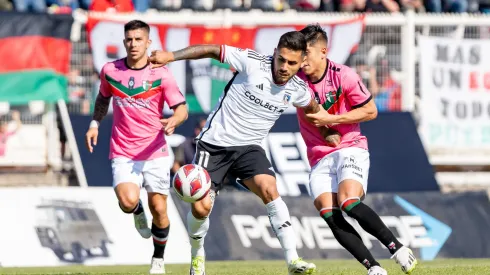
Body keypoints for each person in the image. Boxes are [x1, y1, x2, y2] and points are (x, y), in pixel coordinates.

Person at [149, 31, 318, 275]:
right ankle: (197, 256)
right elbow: (211, 50)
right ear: (275, 53)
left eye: (292, 63)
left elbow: (314, 109)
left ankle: (293, 260)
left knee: (270, 189)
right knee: (201, 208)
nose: (284, 67)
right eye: (281, 59)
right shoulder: (251, 63)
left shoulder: (299, 90)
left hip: (250, 148)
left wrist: (331, 130)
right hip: (214, 145)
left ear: (302, 62)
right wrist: (171, 56)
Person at [297, 24, 418, 275]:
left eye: (306, 53)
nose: (302, 59)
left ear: (323, 51)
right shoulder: (296, 80)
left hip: (349, 147)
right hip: (319, 157)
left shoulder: (344, 75)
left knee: (349, 202)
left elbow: (370, 111)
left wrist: (331, 120)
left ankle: (396, 248)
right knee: (330, 215)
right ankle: (373, 268)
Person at [85, 20, 188, 274]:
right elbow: (103, 97)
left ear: (148, 42)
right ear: (123, 42)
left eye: (138, 39)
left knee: (160, 209)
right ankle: (136, 210)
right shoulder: (110, 70)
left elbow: (181, 108)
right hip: (124, 150)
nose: (133, 44)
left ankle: (158, 258)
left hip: (155, 151)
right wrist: (95, 124)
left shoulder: (161, 73)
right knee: (128, 201)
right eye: (129, 39)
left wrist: (175, 119)